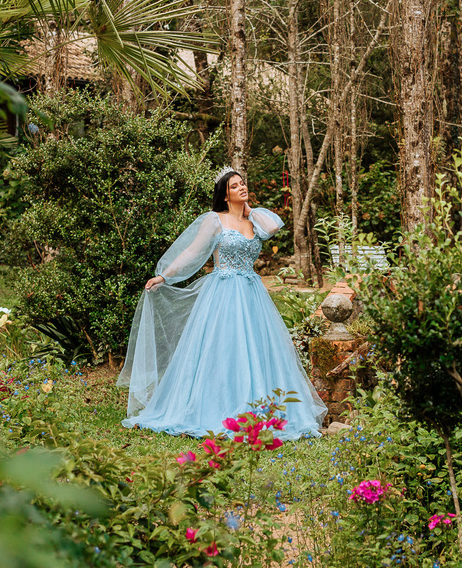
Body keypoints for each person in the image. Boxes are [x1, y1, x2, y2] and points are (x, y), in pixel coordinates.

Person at [116, 166, 327, 438]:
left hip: (252, 294)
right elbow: (193, 253)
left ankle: (259, 408)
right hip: (223, 294)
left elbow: (273, 227)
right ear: (225, 195)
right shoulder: (215, 220)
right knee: (223, 349)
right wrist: (164, 276)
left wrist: (248, 209)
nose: (242, 187)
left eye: (243, 183)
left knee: (256, 349)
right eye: (235, 186)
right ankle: (214, 407)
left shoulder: (255, 222)